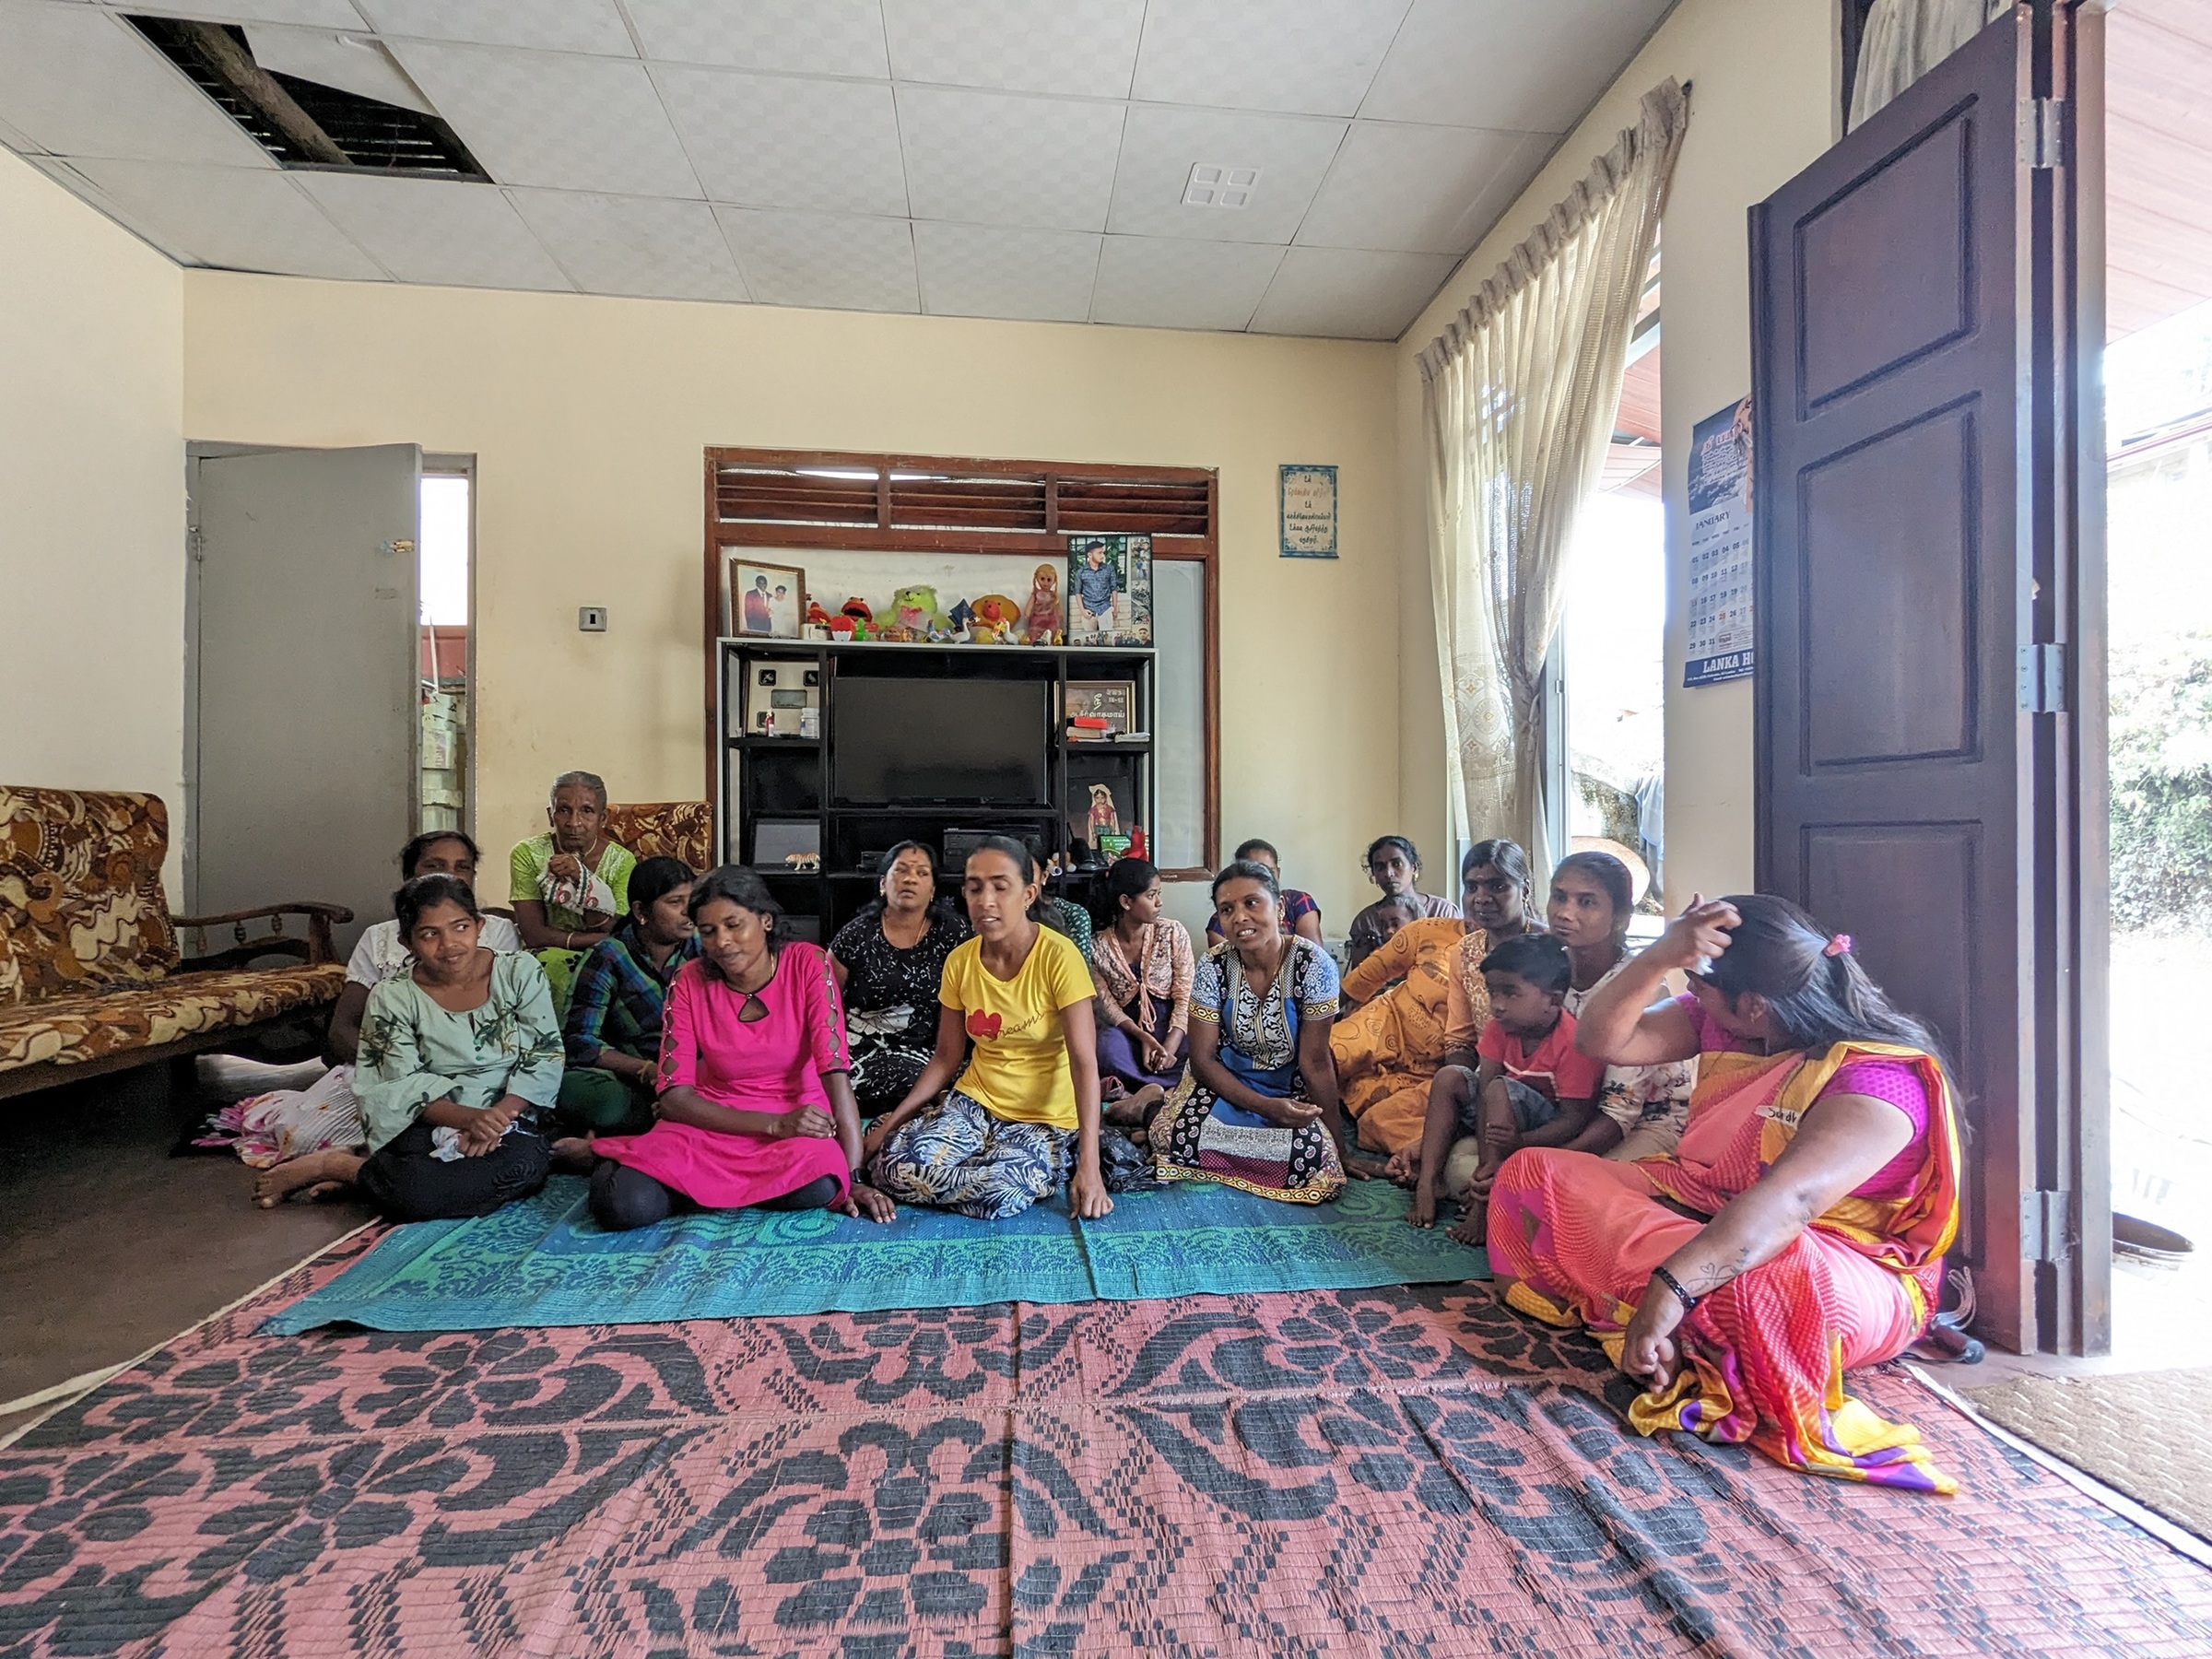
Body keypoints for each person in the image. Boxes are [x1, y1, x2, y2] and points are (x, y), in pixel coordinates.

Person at [1488, 895, 1965, 1493]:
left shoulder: (1877, 1081)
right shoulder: (1721, 1017)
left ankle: (1668, 1313)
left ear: (1755, 1007)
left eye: (1700, 985)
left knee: (1766, 1281)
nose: (1692, 994)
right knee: (1536, 1171)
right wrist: (1660, 954)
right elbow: (1602, 1040)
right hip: (1705, 1206)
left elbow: (1790, 1206)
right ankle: (1686, 1329)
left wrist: (1671, 1288)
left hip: (1830, 1263)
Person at [570, 866, 894, 1230]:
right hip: (712, 1122)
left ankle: (687, 1186)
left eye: (733, 925)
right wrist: (773, 1124)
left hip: (796, 1124)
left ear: (766, 921)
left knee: (822, 1184)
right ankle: (624, 1163)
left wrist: (855, 1177)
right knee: (622, 1205)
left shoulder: (808, 964)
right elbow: (676, 1097)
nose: (721, 942)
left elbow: (836, 1075)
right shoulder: (689, 980)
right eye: (708, 931)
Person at [253, 874, 564, 1220]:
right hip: (427, 1119)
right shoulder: (393, 997)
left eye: (460, 927)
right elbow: (400, 1082)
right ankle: (343, 1167)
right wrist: (469, 1119)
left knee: (524, 1167)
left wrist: (495, 1120)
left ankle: (353, 1172)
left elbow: (543, 1051)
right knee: (420, 1187)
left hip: (509, 1115)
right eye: (430, 934)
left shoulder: (519, 972)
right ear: (406, 942)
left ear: (479, 925)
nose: (449, 945)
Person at [232, 832, 521, 1202]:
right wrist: (397, 1076)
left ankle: (353, 1170)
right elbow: (342, 1030)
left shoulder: (498, 934)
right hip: (386, 1071)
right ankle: (358, 1164)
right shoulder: (380, 939)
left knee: (465, 1140)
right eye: (434, 866)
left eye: (462, 868)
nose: (450, 876)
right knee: (303, 1134)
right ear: (408, 877)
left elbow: (507, 1024)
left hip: (469, 1072)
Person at [863, 838, 1133, 1220]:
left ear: (1028, 894)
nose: (985, 899)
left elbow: (1084, 1063)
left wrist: (1089, 1167)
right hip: (975, 1102)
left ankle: (1029, 1163)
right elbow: (946, 1058)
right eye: (974, 887)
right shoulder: (960, 962)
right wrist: (895, 1121)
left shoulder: (1059, 957)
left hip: (1045, 1116)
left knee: (1001, 1193)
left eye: (999, 886)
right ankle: (986, 1160)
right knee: (893, 1168)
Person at [1150, 859, 1355, 1202]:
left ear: (1280, 907)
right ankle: (1152, 1107)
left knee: (1317, 1155)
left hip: (1290, 1093)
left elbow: (1316, 1064)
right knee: (1170, 1134)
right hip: (1225, 1087)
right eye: (1227, 909)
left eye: (1251, 903)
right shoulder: (1214, 965)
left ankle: (1167, 1113)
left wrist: (1339, 1148)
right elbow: (1202, 1061)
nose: (1240, 917)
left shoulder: (1314, 965)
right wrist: (1264, 1107)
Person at [1333, 839, 1537, 1163]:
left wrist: (1457, 1093)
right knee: (1334, 1065)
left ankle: (1433, 1154)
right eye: (1472, 887)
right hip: (1396, 1027)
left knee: (1381, 1120)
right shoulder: (1444, 940)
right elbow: (1366, 975)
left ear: (1524, 890)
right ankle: (1436, 1151)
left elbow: (1469, 1043)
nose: (1481, 898)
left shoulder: (1547, 951)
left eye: (1497, 885)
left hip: (1485, 1073)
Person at [1408, 932, 1606, 1243]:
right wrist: (1490, 1160)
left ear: (1553, 1000)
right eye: (1493, 992)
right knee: (1450, 1077)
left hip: (1541, 1126)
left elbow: (1574, 1120)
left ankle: (1485, 1206)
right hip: (1499, 1116)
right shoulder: (1500, 1028)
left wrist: (1520, 1141)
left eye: (1510, 993)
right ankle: (1428, 1183)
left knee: (1501, 1088)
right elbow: (1486, 1093)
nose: (1497, 1006)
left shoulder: (1574, 1043)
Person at [1546, 851, 1696, 1161]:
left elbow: (1619, 1114)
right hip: (1567, 1113)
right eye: (1559, 897)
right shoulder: (1544, 970)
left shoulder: (1641, 987)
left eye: (1587, 902)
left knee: (1566, 1191)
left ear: (1621, 917)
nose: (1565, 912)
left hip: (1648, 1122)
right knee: (1464, 1166)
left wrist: (1541, 1163)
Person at [555, 856, 699, 1136]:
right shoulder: (609, 956)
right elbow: (578, 1042)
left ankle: (615, 1142)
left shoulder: (700, 949)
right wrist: (646, 1070)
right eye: (674, 902)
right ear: (640, 911)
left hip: (694, 1075)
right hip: (631, 1081)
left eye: (691, 901)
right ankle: (668, 1126)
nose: (688, 912)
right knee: (597, 1099)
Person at [829, 841, 968, 1118]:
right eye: (901, 870)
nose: (910, 879)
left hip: (925, 1052)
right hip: (858, 1049)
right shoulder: (855, 935)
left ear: (933, 890)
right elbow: (824, 1004)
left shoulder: (953, 934)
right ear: (883, 884)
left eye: (921, 873)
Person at [510, 771, 636, 1011]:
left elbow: (616, 932)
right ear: (551, 815)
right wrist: (592, 940)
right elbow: (534, 934)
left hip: (606, 957)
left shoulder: (622, 861)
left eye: (587, 811)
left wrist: (581, 877)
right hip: (545, 957)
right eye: (564, 810)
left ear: (603, 818)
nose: (574, 823)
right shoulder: (527, 854)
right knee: (546, 964)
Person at [1089, 857, 1194, 1122]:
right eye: (1151, 895)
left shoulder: (1172, 932)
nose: (1159, 902)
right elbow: (1108, 1006)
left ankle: (1138, 1096)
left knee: (1207, 1047)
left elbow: (1185, 994)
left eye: (1159, 894)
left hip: (1175, 1029)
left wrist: (1169, 1046)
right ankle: (1156, 1094)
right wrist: (1143, 1038)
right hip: (1130, 1034)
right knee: (1105, 1047)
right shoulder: (1096, 947)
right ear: (1126, 902)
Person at [1347, 836, 1460, 968]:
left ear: (1414, 868)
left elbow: (1456, 965)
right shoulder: (1366, 920)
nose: (1388, 873)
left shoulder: (1443, 911)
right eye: (1380, 867)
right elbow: (1359, 980)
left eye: (1397, 864)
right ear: (1374, 874)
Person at [1204, 839, 1323, 945]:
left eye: (1268, 871)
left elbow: (1313, 953)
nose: (1240, 918)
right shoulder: (1220, 925)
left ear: (1280, 908)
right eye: (1253, 873)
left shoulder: (1298, 902)